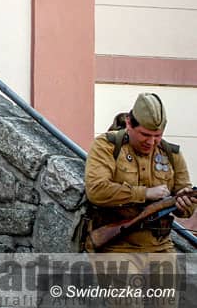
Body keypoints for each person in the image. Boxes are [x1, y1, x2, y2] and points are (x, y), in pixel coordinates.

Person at [83, 93, 194, 253]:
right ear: (129, 123)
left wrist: (184, 204)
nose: (151, 142)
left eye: (157, 136)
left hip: (161, 247)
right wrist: (145, 193)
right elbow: (96, 190)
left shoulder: (171, 154)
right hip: (115, 246)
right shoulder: (108, 146)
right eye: (145, 134)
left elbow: (188, 207)